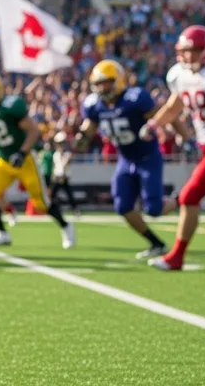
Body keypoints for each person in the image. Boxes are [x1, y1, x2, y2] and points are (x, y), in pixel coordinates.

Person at [75, 60, 174, 259]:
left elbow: (163, 115)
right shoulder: (94, 105)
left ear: (119, 81)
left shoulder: (135, 98)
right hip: (125, 160)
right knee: (122, 206)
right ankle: (156, 243)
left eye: (108, 82)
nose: (103, 88)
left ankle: (182, 200)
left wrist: (180, 134)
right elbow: (88, 130)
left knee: (154, 209)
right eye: (99, 83)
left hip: (147, 157)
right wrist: (80, 139)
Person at [0, 70, 74, 249]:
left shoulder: (10, 106)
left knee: (41, 202)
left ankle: (66, 226)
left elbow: (34, 130)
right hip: (3, 160)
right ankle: (2, 233)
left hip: (24, 161)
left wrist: (22, 152)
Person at [144, 25, 205, 270]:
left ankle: (176, 256)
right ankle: (176, 256)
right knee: (189, 197)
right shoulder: (180, 75)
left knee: (188, 196)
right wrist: (154, 124)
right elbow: (175, 106)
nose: (186, 57)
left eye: (192, 51)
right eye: (183, 52)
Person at [49, 132, 80, 216]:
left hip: (64, 177)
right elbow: (55, 167)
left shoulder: (67, 154)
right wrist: (53, 177)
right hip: (57, 177)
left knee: (69, 195)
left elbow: (65, 164)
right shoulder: (56, 154)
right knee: (52, 195)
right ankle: (51, 210)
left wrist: (67, 158)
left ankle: (76, 210)